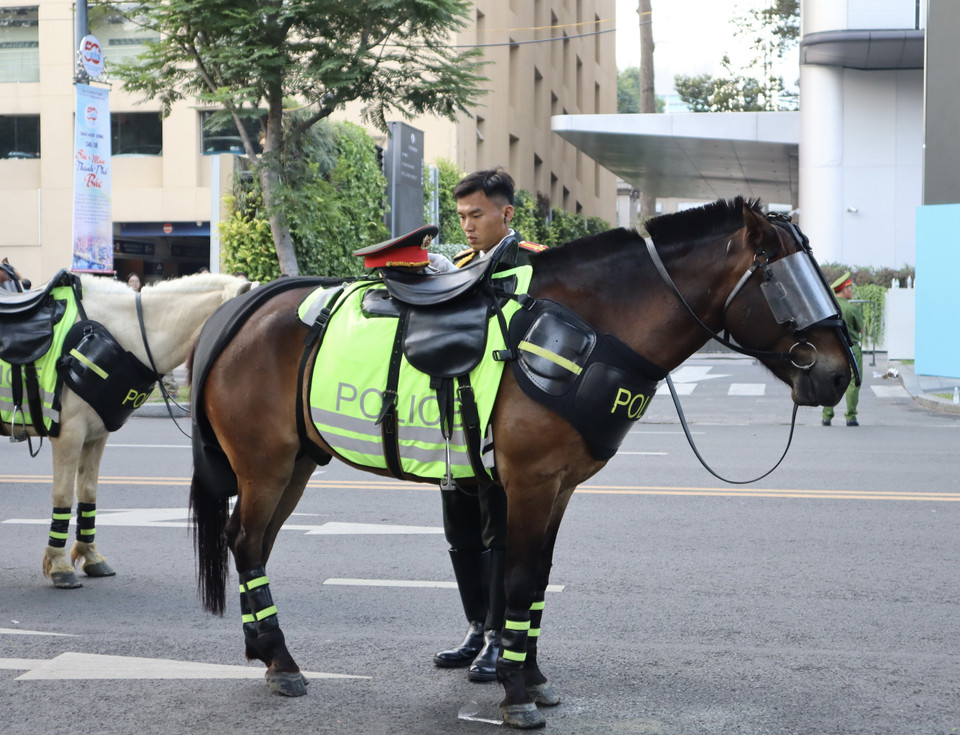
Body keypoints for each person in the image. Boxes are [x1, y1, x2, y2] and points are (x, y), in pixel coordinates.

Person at [431, 168, 545, 682]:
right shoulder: (457, 265)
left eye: (476, 214)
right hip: (455, 418)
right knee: (460, 530)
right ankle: (476, 629)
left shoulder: (535, 265)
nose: (468, 225)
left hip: (506, 423)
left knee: (499, 529)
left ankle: (501, 636)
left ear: (507, 213)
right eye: (461, 216)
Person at [822, 271, 864, 427]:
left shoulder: (828, 307)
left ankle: (827, 416)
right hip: (852, 350)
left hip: (832, 351)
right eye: (850, 288)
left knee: (830, 382)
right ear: (843, 290)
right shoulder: (852, 309)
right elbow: (861, 329)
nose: (851, 291)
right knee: (853, 383)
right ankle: (851, 417)